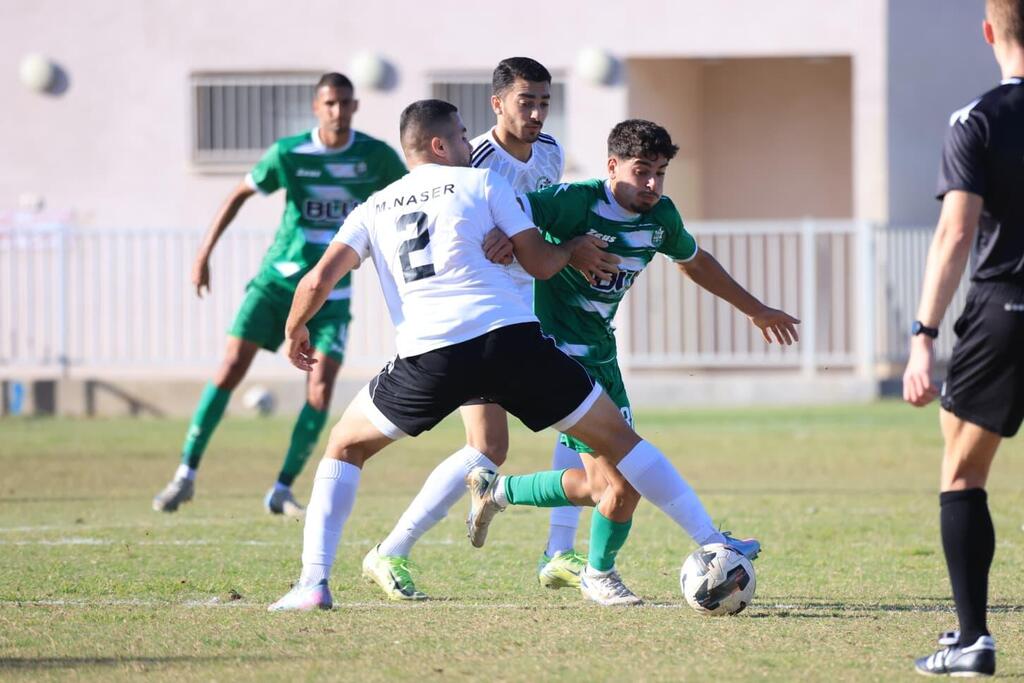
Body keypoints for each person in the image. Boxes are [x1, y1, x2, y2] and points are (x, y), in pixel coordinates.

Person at [267, 99, 759, 612]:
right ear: (439, 145)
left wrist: (296, 326)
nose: (469, 145)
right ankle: (706, 538)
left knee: (346, 448)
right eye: (461, 136)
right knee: (620, 442)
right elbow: (542, 265)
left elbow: (319, 278)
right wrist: (570, 250)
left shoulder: (373, 207)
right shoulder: (483, 184)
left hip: (428, 358)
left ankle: (313, 583)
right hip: (509, 342)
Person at [378, 119, 800, 605]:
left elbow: (693, 260)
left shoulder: (661, 217)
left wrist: (756, 309)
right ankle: (618, 568)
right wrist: (506, 238)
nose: (651, 184)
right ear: (612, 166)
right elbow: (510, 215)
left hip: (602, 354)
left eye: (660, 173)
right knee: (623, 481)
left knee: (607, 485)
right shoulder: (572, 201)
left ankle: (501, 492)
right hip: (556, 358)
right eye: (641, 172)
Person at [362, 57, 613, 600]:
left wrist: (534, 238)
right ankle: (391, 550)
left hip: (527, 312)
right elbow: (444, 231)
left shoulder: (550, 152)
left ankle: (557, 552)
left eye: (545, 101)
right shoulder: (469, 160)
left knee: (578, 420)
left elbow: (536, 216)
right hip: (476, 323)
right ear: (497, 104)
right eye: (527, 101)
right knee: (488, 446)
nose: (538, 112)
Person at [152, 73, 406, 517]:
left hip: (332, 295)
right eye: (330, 103)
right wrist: (203, 253)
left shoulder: (376, 157)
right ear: (316, 107)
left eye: (345, 103)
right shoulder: (288, 153)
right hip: (276, 284)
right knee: (231, 367)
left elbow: (410, 198)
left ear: (355, 106)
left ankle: (282, 488)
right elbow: (238, 194)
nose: (338, 112)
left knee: (319, 389)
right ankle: (185, 473)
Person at [903, 0, 1024, 676]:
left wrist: (923, 332)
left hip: (1006, 308)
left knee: (962, 472)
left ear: (989, 32)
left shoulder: (977, 119)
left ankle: (974, 639)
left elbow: (955, 234)